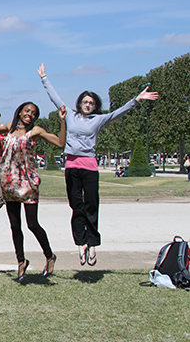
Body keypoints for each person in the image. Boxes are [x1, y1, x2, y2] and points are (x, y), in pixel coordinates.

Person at [38, 63, 159, 266]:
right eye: (85, 101)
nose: (88, 104)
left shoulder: (99, 119)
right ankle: (80, 243)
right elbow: (55, 98)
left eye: (91, 102)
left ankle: (92, 243)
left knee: (91, 205)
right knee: (76, 207)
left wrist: (136, 99)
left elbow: (119, 112)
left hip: (90, 166)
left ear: (95, 105)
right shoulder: (69, 114)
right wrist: (44, 79)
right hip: (72, 166)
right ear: (80, 103)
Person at [0, 102, 66, 282]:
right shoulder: (9, 127)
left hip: (27, 181)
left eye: (34, 113)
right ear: (20, 111)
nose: (30, 114)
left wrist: (62, 122)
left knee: (32, 224)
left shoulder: (35, 131)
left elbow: (60, 143)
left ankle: (49, 255)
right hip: (9, 181)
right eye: (27, 110)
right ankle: (21, 261)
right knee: (15, 225)